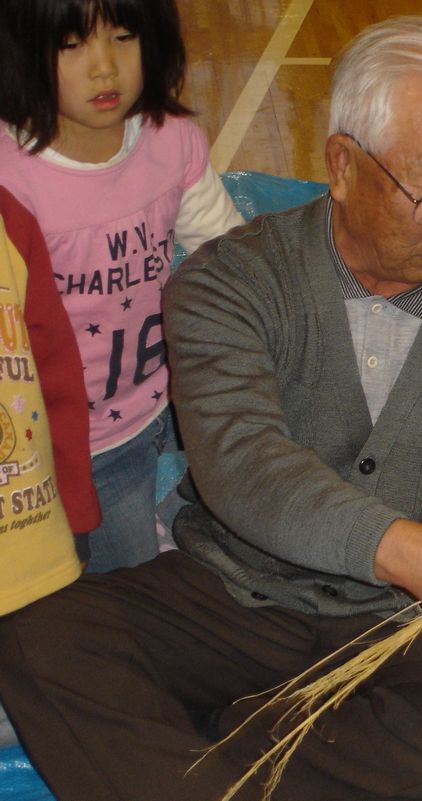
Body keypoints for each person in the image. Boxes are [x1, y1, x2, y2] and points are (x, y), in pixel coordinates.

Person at [0, 15, 422, 801]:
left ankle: (203, 757)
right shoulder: (227, 282)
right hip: (240, 590)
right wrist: (400, 547)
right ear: (342, 165)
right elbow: (244, 465)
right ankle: (268, 742)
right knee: (37, 642)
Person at [0, 0, 244, 572]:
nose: (104, 67)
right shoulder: (14, 179)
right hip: (77, 442)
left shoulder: (169, 140)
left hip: (160, 399)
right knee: (127, 584)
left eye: (124, 37)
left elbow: (229, 251)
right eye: (71, 45)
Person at [0, 186, 101, 749]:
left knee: (46, 719)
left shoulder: (9, 219)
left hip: (30, 547)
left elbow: (57, 375)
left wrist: (77, 506)